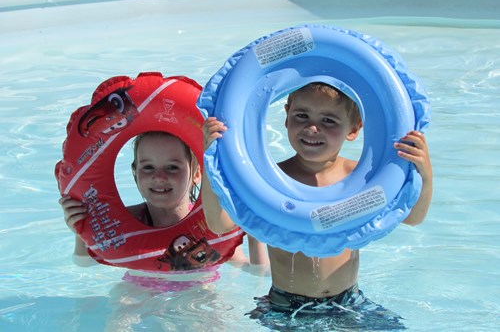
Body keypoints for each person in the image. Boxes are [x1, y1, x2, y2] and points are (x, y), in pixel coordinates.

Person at [202, 82, 432, 325]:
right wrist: (210, 163)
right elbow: (219, 224)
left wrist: (425, 174)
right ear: (287, 117)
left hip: (347, 302)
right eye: (302, 116)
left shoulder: (362, 178)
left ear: (354, 129)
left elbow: (412, 217)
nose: (312, 128)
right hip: (286, 306)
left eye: (329, 120)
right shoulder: (268, 182)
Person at [59, 131, 250, 265]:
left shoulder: (212, 220)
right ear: (135, 174)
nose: (159, 177)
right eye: (148, 167)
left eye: (172, 167)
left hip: (199, 293)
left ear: (197, 173)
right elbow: (86, 262)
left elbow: (252, 269)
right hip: (137, 295)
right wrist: (80, 230)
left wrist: (255, 229)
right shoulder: (123, 221)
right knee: (121, 317)